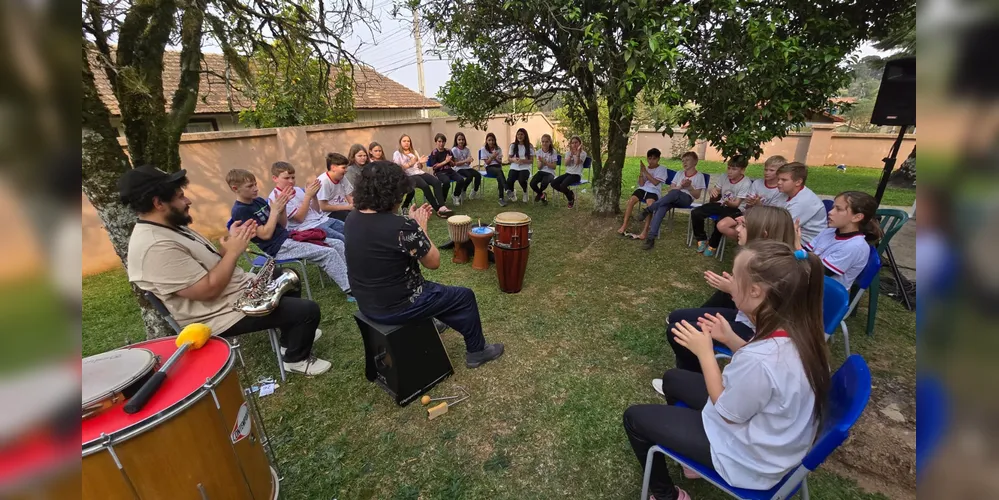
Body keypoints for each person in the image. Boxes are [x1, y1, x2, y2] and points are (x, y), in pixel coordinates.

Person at [624, 240, 831, 500]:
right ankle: (689, 460)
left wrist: (706, 353)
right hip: (769, 437)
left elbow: (727, 412)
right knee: (672, 379)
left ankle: (668, 496)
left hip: (748, 459)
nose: (730, 283)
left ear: (756, 291)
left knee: (634, 418)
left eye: (735, 277)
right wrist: (731, 339)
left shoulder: (763, 359)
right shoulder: (801, 332)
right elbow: (764, 379)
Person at [121, 165, 331, 375]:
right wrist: (234, 252)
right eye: (180, 197)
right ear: (158, 203)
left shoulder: (171, 227)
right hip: (220, 314)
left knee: (286, 276)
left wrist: (232, 240)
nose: (188, 201)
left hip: (233, 295)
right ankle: (296, 360)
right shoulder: (156, 246)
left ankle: (290, 340)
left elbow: (213, 263)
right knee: (307, 311)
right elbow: (207, 291)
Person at [344, 161, 505, 368]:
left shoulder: (352, 218)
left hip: (367, 302)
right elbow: (433, 262)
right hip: (398, 306)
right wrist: (420, 228)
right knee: (464, 297)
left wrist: (411, 227)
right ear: (392, 193)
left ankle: (432, 320)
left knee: (437, 294)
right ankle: (477, 351)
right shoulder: (402, 228)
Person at [664, 206, 796, 375]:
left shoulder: (776, 271)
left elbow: (766, 322)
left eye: (744, 226)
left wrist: (733, 289)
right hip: (744, 318)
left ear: (763, 234)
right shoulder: (757, 258)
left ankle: (692, 376)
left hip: (756, 332)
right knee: (677, 319)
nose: (737, 230)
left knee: (677, 329)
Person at [226, 168, 353, 301]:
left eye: (255, 184)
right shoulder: (240, 211)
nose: (255, 188)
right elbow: (265, 235)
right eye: (250, 186)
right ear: (235, 188)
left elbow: (281, 225)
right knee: (328, 253)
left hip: (288, 236)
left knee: (337, 243)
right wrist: (274, 211)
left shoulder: (258, 201)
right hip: (277, 248)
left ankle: (354, 280)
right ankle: (351, 290)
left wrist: (282, 208)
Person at [798, 190, 882, 290]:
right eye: (833, 207)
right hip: (809, 283)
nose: (830, 212)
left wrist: (795, 242)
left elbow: (819, 273)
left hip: (824, 294)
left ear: (857, 217)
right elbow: (805, 253)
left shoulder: (855, 246)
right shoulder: (829, 231)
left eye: (838, 209)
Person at [711, 155, 787, 244]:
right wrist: (751, 203)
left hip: (767, 221)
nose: (767, 172)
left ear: (780, 172)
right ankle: (747, 241)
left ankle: (749, 242)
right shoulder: (757, 183)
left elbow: (774, 215)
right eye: (766, 169)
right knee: (722, 225)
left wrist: (758, 205)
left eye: (771, 170)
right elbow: (747, 206)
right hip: (749, 214)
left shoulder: (781, 189)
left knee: (744, 229)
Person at [638, 151, 706, 250]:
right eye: (683, 161)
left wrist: (689, 187)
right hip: (672, 197)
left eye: (687, 160)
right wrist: (680, 186)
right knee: (662, 206)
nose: (684, 163)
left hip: (686, 199)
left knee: (674, 193)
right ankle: (651, 238)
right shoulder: (679, 173)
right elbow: (670, 189)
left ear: (695, 161)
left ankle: (649, 209)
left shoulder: (699, 176)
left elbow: (697, 195)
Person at [691, 155, 753, 256]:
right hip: (722, 204)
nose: (730, 171)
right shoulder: (724, 177)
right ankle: (701, 239)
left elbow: (736, 204)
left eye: (734, 169)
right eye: (728, 168)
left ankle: (713, 245)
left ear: (742, 170)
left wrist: (728, 202)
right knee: (696, 212)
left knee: (720, 220)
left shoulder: (746, 183)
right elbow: (717, 189)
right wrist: (713, 190)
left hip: (736, 209)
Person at [268, 161, 345, 242]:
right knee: (343, 239)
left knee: (352, 230)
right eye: (286, 178)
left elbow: (316, 211)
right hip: (308, 227)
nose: (291, 181)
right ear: (275, 178)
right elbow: (300, 218)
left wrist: (314, 196)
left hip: (322, 219)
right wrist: (308, 196)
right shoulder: (276, 197)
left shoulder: (297, 190)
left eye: (293, 177)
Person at [394, 134, 453, 217]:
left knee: (436, 182)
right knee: (425, 186)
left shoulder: (414, 152)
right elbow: (398, 169)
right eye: (404, 141)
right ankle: (437, 209)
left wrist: (420, 163)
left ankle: (442, 206)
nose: (406, 143)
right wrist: (410, 163)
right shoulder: (397, 154)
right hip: (408, 175)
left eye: (408, 141)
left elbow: (420, 167)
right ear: (400, 142)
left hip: (419, 172)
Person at [618, 148, 669, 239]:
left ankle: (645, 231)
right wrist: (641, 173)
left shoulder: (662, 169)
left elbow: (655, 182)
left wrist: (645, 171)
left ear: (658, 159)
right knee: (631, 200)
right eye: (649, 158)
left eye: (654, 159)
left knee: (650, 204)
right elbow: (641, 184)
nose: (651, 161)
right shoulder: (646, 168)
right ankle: (624, 225)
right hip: (643, 189)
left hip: (654, 191)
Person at [776, 162, 827, 245]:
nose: (779, 182)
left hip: (807, 244)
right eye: (778, 179)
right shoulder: (785, 192)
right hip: (790, 237)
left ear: (798, 182)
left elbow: (782, 228)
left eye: (784, 180)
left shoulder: (805, 201)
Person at [428, 132, 467, 206]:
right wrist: (445, 161)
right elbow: (435, 167)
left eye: (443, 142)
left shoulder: (448, 151)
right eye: (439, 141)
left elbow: (453, 164)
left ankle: (455, 195)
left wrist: (450, 161)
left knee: (461, 180)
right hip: (439, 172)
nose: (441, 143)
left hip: (449, 170)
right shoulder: (434, 152)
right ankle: (443, 199)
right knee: (446, 182)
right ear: (436, 142)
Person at [550, 135, 587, 208]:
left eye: (576, 142)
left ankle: (570, 200)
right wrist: (570, 156)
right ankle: (570, 193)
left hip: (576, 175)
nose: (574, 144)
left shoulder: (583, 153)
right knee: (553, 183)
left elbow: (577, 162)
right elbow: (566, 164)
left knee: (563, 185)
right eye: (572, 143)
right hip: (568, 173)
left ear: (580, 143)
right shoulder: (568, 153)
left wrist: (577, 153)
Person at [317, 153, 355, 222]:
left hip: (344, 209)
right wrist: (347, 207)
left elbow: (349, 196)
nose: (346, 170)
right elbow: (323, 207)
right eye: (343, 168)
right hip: (328, 214)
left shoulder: (342, 178)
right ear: (333, 167)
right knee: (352, 220)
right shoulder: (324, 181)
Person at [529, 134, 559, 205]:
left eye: (546, 142)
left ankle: (540, 195)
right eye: (543, 142)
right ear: (541, 142)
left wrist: (545, 161)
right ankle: (542, 195)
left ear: (550, 142)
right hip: (541, 171)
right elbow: (539, 167)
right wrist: (542, 162)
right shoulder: (539, 152)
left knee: (544, 182)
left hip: (550, 173)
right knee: (532, 183)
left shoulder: (553, 152)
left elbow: (554, 166)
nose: (544, 143)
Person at [480, 132, 508, 207]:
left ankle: (501, 198)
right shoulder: (483, 149)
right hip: (489, 168)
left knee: (499, 176)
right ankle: (506, 189)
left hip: (498, 166)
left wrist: (495, 157)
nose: (491, 142)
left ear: (495, 141)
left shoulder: (498, 149)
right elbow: (487, 163)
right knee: (500, 172)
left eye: (492, 140)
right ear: (486, 141)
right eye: (489, 140)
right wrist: (492, 157)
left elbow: (500, 162)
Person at [506, 128, 533, 202]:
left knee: (522, 179)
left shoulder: (529, 146)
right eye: (518, 134)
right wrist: (513, 160)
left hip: (525, 167)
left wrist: (523, 161)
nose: (519, 136)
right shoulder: (513, 145)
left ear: (525, 136)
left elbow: (531, 161)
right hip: (514, 166)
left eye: (521, 134)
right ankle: (512, 192)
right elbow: (509, 158)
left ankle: (525, 192)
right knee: (510, 180)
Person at [451, 132, 481, 201]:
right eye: (459, 139)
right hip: (458, 168)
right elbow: (456, 163)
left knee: (478, 175)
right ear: (456, 140)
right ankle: (463, 190)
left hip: (467, 167)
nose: (461, 141)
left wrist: (470, 160)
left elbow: (468, 163)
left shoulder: (467, 149)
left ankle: (474, 191)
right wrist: (465, 161)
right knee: (469, 176)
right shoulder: (454, 150)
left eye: (462, 139)